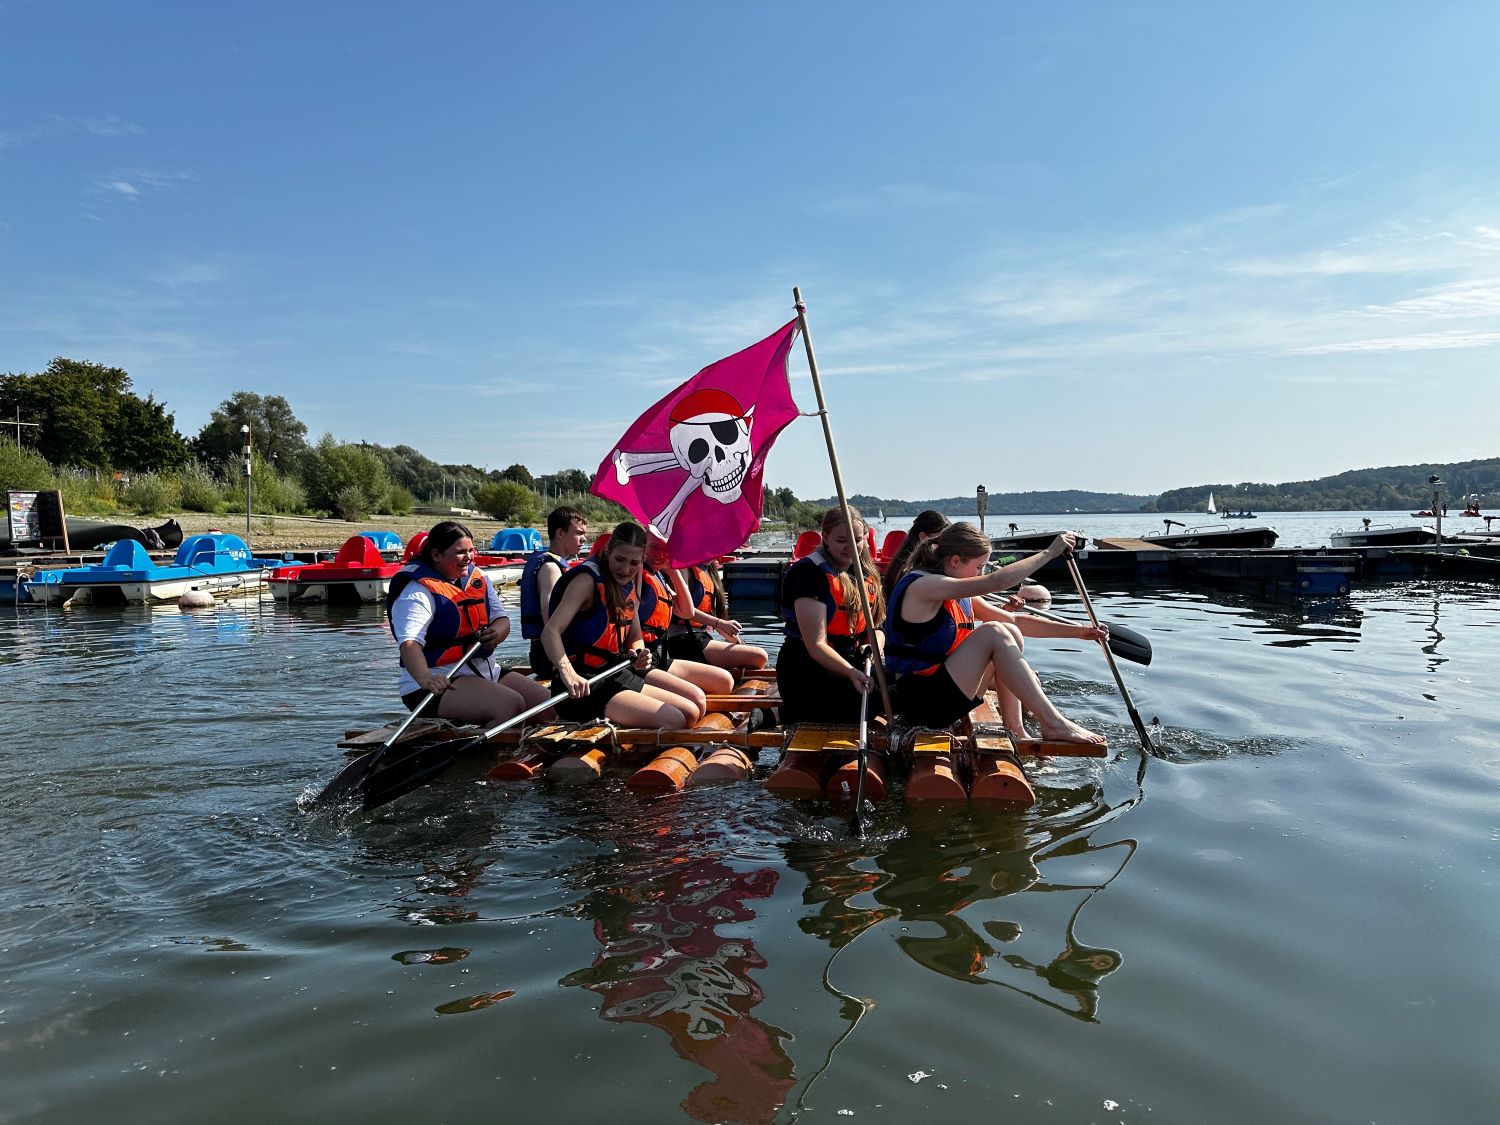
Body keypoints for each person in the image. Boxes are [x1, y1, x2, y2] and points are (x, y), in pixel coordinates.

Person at [883, 521, 1105, 744]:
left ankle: (1016, 730)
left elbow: (1014, 619)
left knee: (1009, 631)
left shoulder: (956, 587)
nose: (980, 573)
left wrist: (1080, 632)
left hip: (943, 695)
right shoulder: (924, 585)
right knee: (994, 633)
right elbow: (997, 581)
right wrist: (1049, 552)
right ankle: (1054, 723)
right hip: (921, 703)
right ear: (955, 561)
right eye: (979, 566)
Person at [540, 521, 709, 728]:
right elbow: (550, 632)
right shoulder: (586, 581)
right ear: (608, 551)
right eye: (620, 559)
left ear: (641, 560)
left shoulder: (628, 585)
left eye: (634, 562)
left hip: (615, 673)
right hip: (582, 685)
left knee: (691, 712)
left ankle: (639, 750)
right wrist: (567, 671)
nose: (625, 568)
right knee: (674, 719)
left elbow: (635, 637)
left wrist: (640, 653)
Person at [388, 520, 554, 726]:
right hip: (435, 682)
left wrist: (496, 633)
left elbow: (501, 619)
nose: (468, 557)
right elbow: (409, 643)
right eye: (460, 552)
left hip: (483, 671)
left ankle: (522, 746)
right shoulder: (417, 592)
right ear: (436, 555)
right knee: (510, 705)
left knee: (549, 707)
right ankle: (490, 755)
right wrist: (425, 678)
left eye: (471, 551)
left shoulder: (478, 577)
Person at [777, 506, 886, 724]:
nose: (850, 547)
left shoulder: (865, 573)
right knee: (875, 699)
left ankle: (786, 714)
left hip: (852, 661)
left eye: (856, 540)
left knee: (900, 685)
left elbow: (877, 628)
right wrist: (851, 672)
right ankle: (787, 713)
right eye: (841, 540)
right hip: (807, 669)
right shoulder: (809, 574)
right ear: (825, 537)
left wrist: (875, 646)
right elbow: (816, 644)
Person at [639, 537, 734, 696]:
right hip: (682, 641)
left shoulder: (662, 574)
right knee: (695, 702)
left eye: (665, 549)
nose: (660, 553)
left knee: (725, 682)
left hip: (657, 656)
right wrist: (719, 623)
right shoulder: (636, 577)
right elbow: (688, 614)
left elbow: (686, 611)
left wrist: (672, 570)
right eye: (655, 547)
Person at [664, 554, 769, 673]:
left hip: (700, 638)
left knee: (757, 656)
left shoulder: (708, 571)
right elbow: (685, 610)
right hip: (683, 640)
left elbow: (717, 623)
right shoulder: (683, 568)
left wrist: (740, 644)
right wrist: (721, 623)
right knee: (760, 656)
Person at [519, 506, 588, 677]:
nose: (584, 539)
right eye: (579, 533)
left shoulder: (555, 564)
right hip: (549, 655)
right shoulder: (551, 568)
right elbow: (549, 616)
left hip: (545, 652)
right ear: (560, 533)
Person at [881, 509, 951, 600]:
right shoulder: (917, 571)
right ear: (923, 537)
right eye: (942, 540)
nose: (946, 546)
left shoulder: (901, 564)